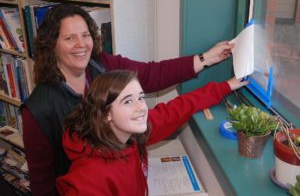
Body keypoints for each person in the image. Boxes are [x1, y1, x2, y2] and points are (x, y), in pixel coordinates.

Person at [21, 3, 234, 196]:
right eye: (70, 38)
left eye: (85, 35)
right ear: (52, 46)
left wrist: (209, 58)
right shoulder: (38, 110)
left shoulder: (103, 66)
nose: (81, 44)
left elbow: (154, 74)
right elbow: (42, 186)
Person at [56, 70, 247, 195]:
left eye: (141, 97)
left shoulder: (131, 132)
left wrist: (226, 86)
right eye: (128, 101)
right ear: (106, 113)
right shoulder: (89, 179)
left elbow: (177, 109)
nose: (141, 108)